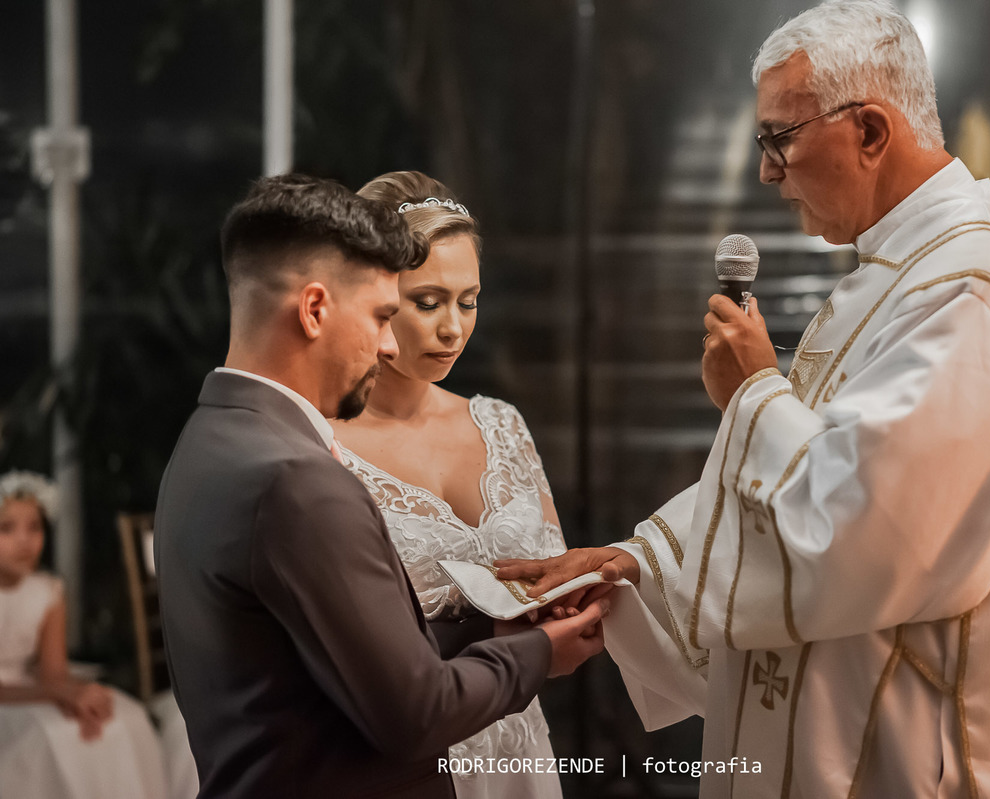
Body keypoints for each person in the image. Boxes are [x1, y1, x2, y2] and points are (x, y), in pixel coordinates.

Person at [497, 1, 990, 796]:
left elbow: (869, 531)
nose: (766, 172)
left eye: (779, 138)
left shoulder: (969, 293)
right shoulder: (902, 276)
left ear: (870, 131)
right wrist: (639, 564)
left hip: (922, 759)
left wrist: (752, 392)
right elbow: (825, 462)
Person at [154, 174, 607, 799]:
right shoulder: (300, 478)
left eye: (469, 300)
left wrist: (491, 630)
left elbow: (325, 651)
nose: (390, 343)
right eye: (384, 315)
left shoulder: (209, 435)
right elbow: (414, 711)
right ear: (315, 310)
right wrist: (538, 653)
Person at [331, 170, 567, 799]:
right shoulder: (322, 443)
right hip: (403, 758)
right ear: (375, 294)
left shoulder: (501, 423)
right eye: (429, 302)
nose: (453, 329)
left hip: (517, 746)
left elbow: (555, 573)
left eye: (469, 301)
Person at [0, 470, 167, 799]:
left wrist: (75, 699)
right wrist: (59, 696)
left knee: (124, 720)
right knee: (45, 737)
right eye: (6, 528)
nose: (25, 540)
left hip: (34, 684)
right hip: (9, 697)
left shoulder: (47, 591)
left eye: (34, 527)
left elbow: (53, 672)